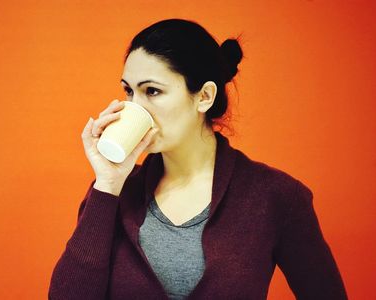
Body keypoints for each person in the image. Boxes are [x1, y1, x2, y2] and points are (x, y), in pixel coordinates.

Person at [48, 19, 347, 299]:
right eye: (129, 92)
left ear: (204, 97)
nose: (134, 109)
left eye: (152, 91)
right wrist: (107, 184)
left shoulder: (276, 196)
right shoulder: (113, 193)